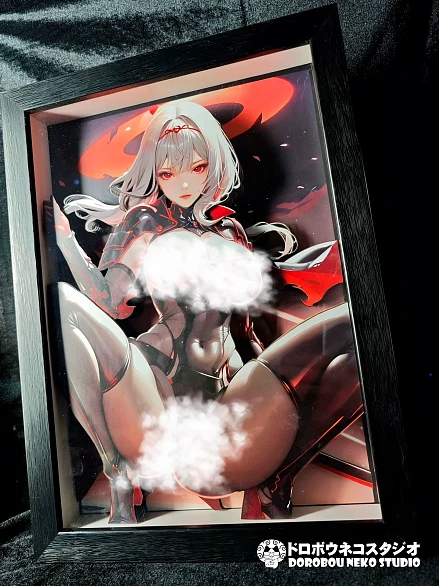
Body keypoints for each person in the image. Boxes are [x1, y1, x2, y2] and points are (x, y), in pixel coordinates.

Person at [50, 101, 362, 523]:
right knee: (64, 301)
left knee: (355, 330)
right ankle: (118, 472)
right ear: (154, 173)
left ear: (212, 163)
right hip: (160, 396)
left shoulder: (229, 230)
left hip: (230, 399)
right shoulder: (143, 223)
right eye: (167, 173)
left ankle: (277, 479)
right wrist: (66, 241)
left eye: (196, 168)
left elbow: (246, 325)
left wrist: (280, 388)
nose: (182, 182)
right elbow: (109, 302)